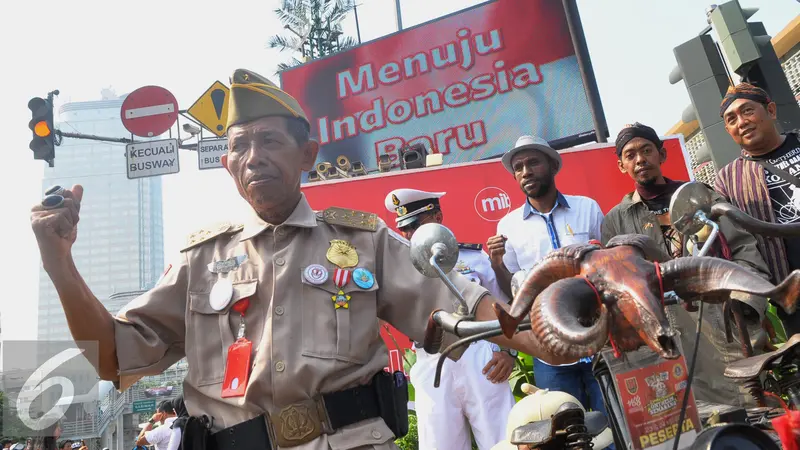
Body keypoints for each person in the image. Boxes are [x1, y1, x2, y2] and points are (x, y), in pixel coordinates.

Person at [30, 68, 560, 450]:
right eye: (238, 146)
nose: (252, 157)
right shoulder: (199, 259)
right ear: (227, 164)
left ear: (307, 155)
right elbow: (114, 359)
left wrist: (558, 333)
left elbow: (465, 312)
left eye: (268, 140)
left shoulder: (363, 241)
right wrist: (59, 263)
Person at [602, 122, 772, 407]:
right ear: (622, 166)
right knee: (689, 423)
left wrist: (745, 306)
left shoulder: (701, 197)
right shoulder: (616, 221)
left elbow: (744, 250)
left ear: (662, 155)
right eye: (630, 155)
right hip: (665, 340)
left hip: (722, 326)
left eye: (646, 150)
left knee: (749, 410)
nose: (640, 159)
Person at [485, 135, 608, 419]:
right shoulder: (508, 226)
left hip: (597, 340)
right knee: (564, 433)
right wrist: (496, 264)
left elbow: (607, 265)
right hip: (549, 350)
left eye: (532, 163)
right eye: (518, 167)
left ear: (553, 165)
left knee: (614, 423)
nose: (525, 171)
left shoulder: (587, 208)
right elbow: (513, 289)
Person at [383, 188, 516, 450]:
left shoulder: (473, 258)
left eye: (415, 225)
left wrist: (508, 352)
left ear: (438, 217)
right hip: (430, 360)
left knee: (503, 440)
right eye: (404, 229)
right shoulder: (399, 269)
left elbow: (504, 309)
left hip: (479, 355)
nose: (409, 235)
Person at [715, 82, 800, 335]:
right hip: (791, 296)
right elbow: (736, 246)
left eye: (748, 111)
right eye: (732, 119)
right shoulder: (727, 179)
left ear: (771, 111)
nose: (741, 122)